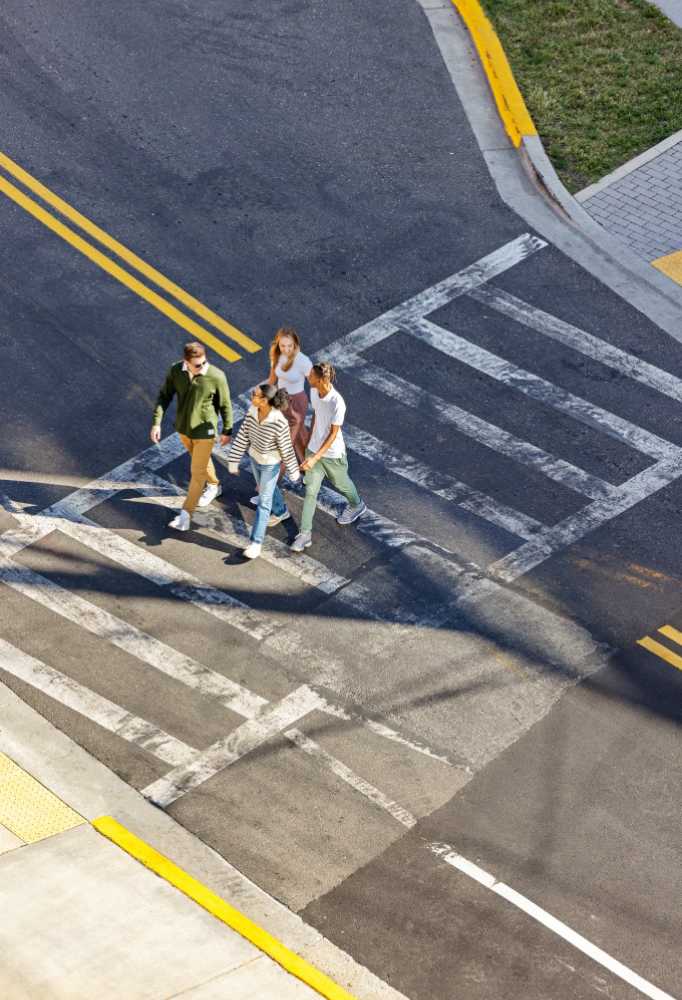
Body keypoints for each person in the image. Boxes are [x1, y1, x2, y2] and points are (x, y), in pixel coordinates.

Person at [151, 342, 232, 531]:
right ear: (186, 362)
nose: (202, 367)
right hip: (183, 429)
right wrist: (156, 422)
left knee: (196, 474)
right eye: (197, 365)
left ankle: (185, 515)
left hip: (205, 431)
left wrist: (227, 430)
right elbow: (164, 396)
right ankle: (214, 485)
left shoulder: (216, 376)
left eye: (204, 363)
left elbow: (225, 405)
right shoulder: (175, 371)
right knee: (201, 463)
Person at [290, 362, 366, 553]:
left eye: (311, 377)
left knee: (342, 484)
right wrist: (310, 441)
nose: (308, 378)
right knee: (310, 492)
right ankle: (304, 534)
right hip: (314, 450)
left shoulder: (337, 402)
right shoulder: (315, 392)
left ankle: (357, 505)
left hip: (332, 455)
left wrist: (316, 457)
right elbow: (316, 413)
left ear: (321, 379)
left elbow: (333, 435)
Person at [227, 384, 301, 559]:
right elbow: (243, 435)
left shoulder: (279, 422)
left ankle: (256, 543)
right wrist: (233, 461)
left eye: (255, 394)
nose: (252, 396)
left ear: (265, 400)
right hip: (255, 459)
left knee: (263, 502)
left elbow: (286, 449)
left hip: (270, 464)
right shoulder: (253, 411)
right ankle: (282, 511)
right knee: (265, 488)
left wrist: (293, 471)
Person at [268, 327, 312, 465]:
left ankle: (310, 463)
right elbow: (272, 379)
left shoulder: (303, 361)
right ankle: (304, 462)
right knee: (293, 433)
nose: (286, 349)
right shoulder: (276, 355)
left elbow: (314, 382)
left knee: (298, 433)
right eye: (282, 346)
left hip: (297, 400)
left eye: (290, 346)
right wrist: (264, 393)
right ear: (278, 344)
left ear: (295, 344)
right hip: (281, 399)